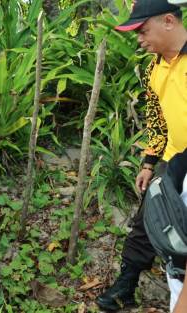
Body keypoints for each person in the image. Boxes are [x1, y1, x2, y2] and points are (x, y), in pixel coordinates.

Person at [96, 0, 187, 310]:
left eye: (143, 30)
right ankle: (126, 286)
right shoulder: (153, 68)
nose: (139, 39)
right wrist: (150, 162)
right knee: (149, 221)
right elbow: (157, 120)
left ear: (169, 21)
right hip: (172, 159)